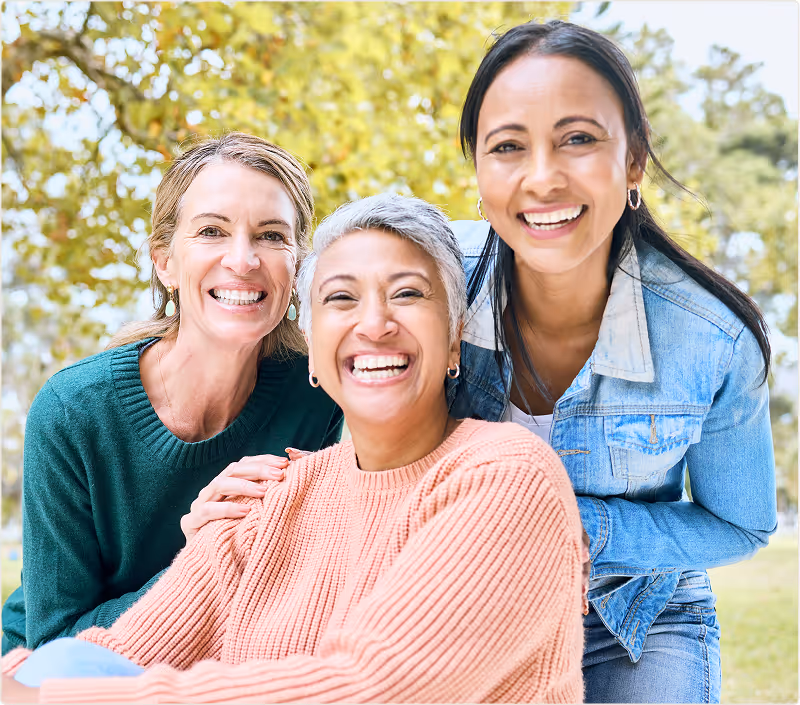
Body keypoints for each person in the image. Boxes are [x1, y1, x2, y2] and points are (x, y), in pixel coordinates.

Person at [2, 194, 584, 704]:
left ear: (454, 337)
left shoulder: (505, 473)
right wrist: (36, 681)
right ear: (311, 345)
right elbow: (118, 652)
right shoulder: (273, 494)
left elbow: (372, 690)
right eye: (340, 299)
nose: (375, 323)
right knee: (63, 664)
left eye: (407, 294)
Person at [447, 19, 777, 704]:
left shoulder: (711, 338)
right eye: (508, 146)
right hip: (468, 607)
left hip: (636, 615)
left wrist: (580, 525)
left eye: (578, 139)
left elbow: (741, 523)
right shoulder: (430, 284)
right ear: (478, 169)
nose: (543, 177)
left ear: (633, 161)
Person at [1, 133, 343, 655]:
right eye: (212, 231)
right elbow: (55, 646)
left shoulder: (323, 397)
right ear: (164, 262)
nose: (243, 259)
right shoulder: (74, 412)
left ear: (296, 264)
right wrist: (200, 558)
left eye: (272, 236)